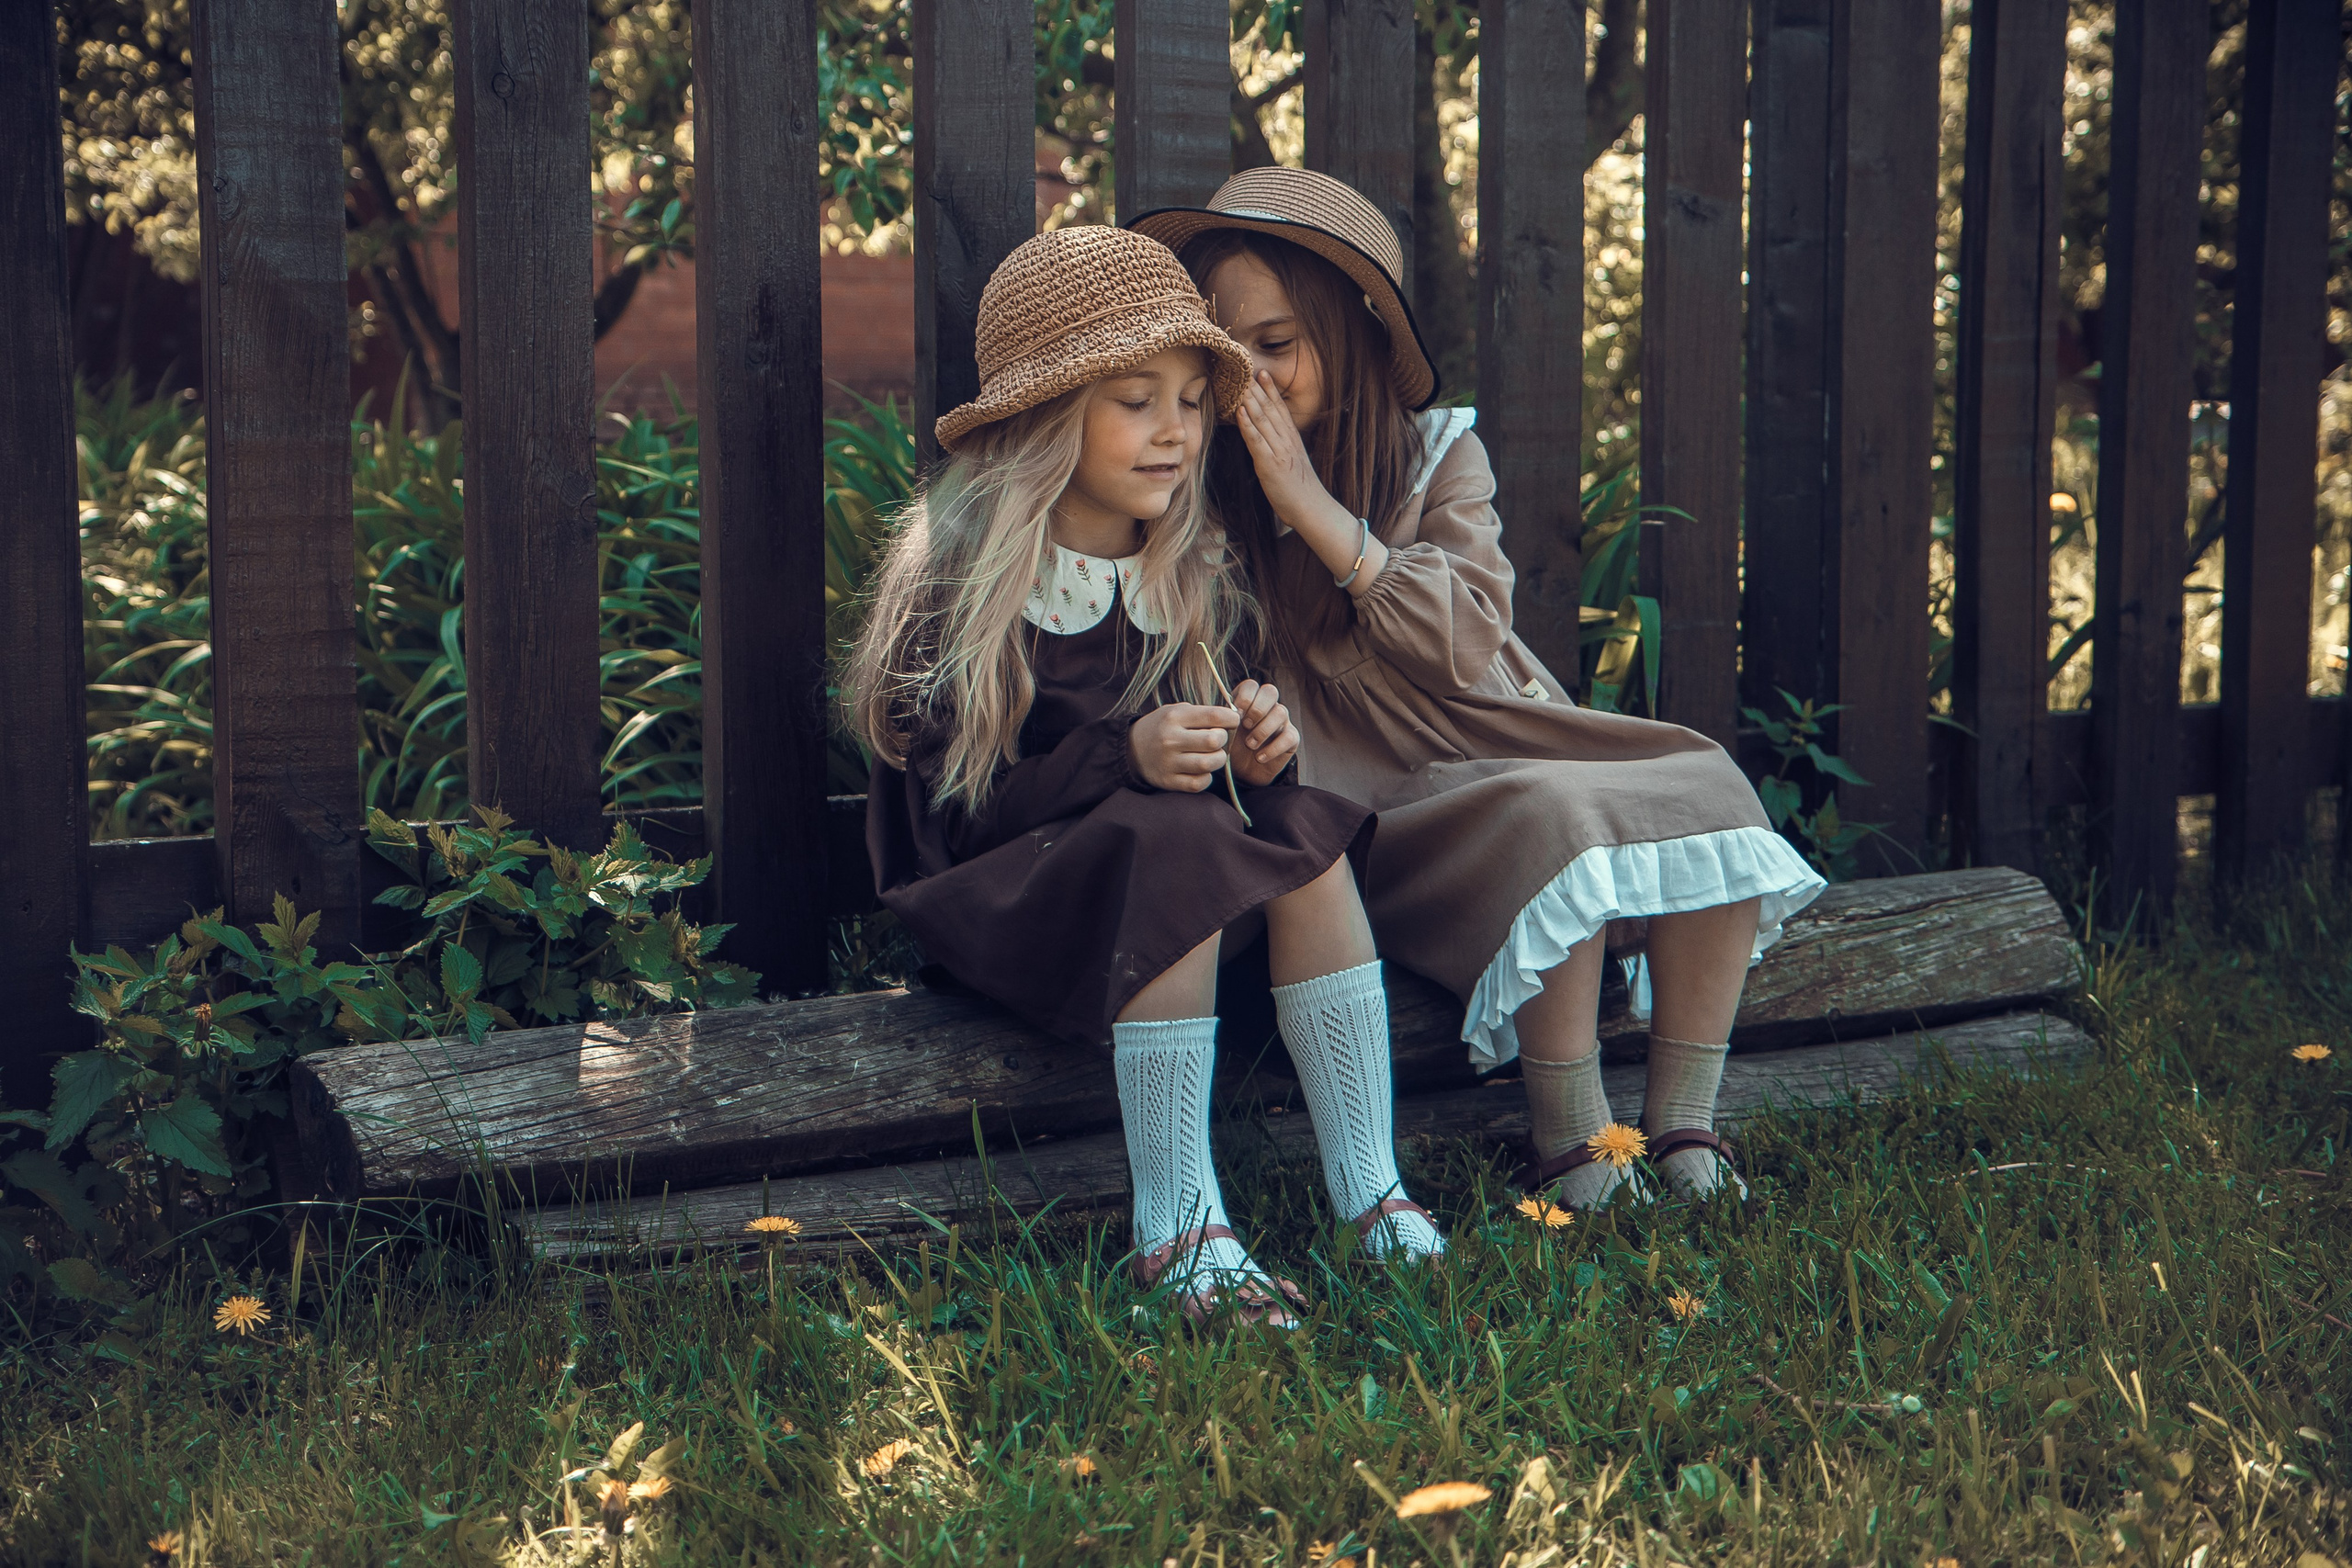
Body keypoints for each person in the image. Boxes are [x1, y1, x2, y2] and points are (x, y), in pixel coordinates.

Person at [1131, 169, 1826, 1208]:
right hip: (1361, 789)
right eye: (1227, 355)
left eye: (1276, 346)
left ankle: (1685, 1120)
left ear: (1350, 333)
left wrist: (1314, 507)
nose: (1252, 383)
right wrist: (1261, 502)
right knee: (1553, 817)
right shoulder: (1198, 486)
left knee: (1702, 779)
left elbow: (1463, 643)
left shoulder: (1435, 455)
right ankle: (1573, 1137)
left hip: (1486, 726)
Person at [845, 227, 1448, 1326]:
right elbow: (953, 816)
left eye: (1190, 400)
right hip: (1003, 894)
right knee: (1168, 840)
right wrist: (1119, 756)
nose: (1177, 432)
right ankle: (1178, 1231)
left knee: (1303, 833)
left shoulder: (1188, 564)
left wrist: (1256, 747)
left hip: (1154, 883)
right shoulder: (971, 583)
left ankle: (1371, 1189)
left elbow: (1224, 775)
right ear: (1044, 418)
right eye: (1136, 400)